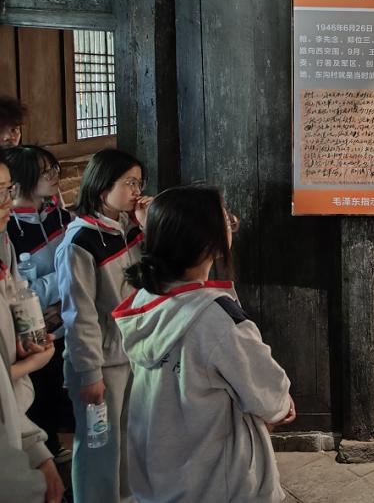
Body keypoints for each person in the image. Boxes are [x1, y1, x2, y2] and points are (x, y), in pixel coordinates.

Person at [113, 185, 294, 502]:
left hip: (161, 476)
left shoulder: (145, 302)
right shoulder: (215, 317)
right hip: (217, 482)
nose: (232, 224)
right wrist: (282, 405)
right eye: (226, 220)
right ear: (207, 241)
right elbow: (268, 393)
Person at [55, 148, 152, 503]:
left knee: (129, 438)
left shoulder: (130, 228)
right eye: (129, 183)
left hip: (132, 353)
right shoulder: (79, 242)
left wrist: (148, 226)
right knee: (99, 446)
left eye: (139, 183)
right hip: (100, 363)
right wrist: (89, 373)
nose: (136, 191)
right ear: (101, 187)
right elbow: (78, 315)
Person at [0, 156, 64, 502]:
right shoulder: (13, 232)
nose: (7, 202)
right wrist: (25, 366)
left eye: (7, 190)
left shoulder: (5, 243)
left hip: (14, 412)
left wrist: (38, 452)